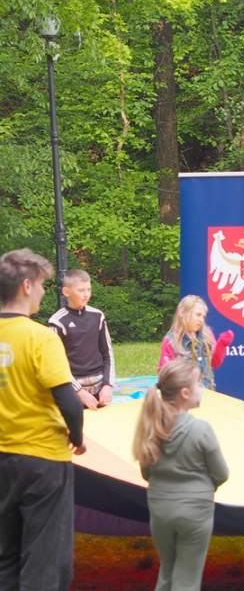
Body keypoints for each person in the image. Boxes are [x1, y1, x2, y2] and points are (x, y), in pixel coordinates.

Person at [0, 248, 86, 591]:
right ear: (26, 286)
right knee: (45, 561)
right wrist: (77, 436)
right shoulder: (41, 337)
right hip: (42, 459)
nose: (43, 291)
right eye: (41, 284)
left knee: (6, 558)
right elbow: (69, 401)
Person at [132, 358, 229, 591]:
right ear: (185, 393)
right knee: (187, 580)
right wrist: (205, 486)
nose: (202, 388)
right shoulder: (201, 429)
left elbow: (147, 472)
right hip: (196, 512)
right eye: (199, 383)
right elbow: (221, 473)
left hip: (160, 509)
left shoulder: (151, 426)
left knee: (167, 572)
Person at [48, 269, 115, 410]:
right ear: (66, 292)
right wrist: (79, 391)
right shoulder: (57, 321)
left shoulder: (98, 316)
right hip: (72, 392)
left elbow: (107, 353)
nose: (86, 294)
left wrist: (107, 385)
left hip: (100, 391)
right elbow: (55, 363)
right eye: (81, 290)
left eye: (88, 289)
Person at [158, 295, 234, 390]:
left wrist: (222, 345)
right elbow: (164, 372)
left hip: (208, 393)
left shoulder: (207, 335)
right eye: (198, 315)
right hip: (184, 395)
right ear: (182, 312)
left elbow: (215, 363)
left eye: (203, 316)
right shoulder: (171, 340)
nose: (201, 320)